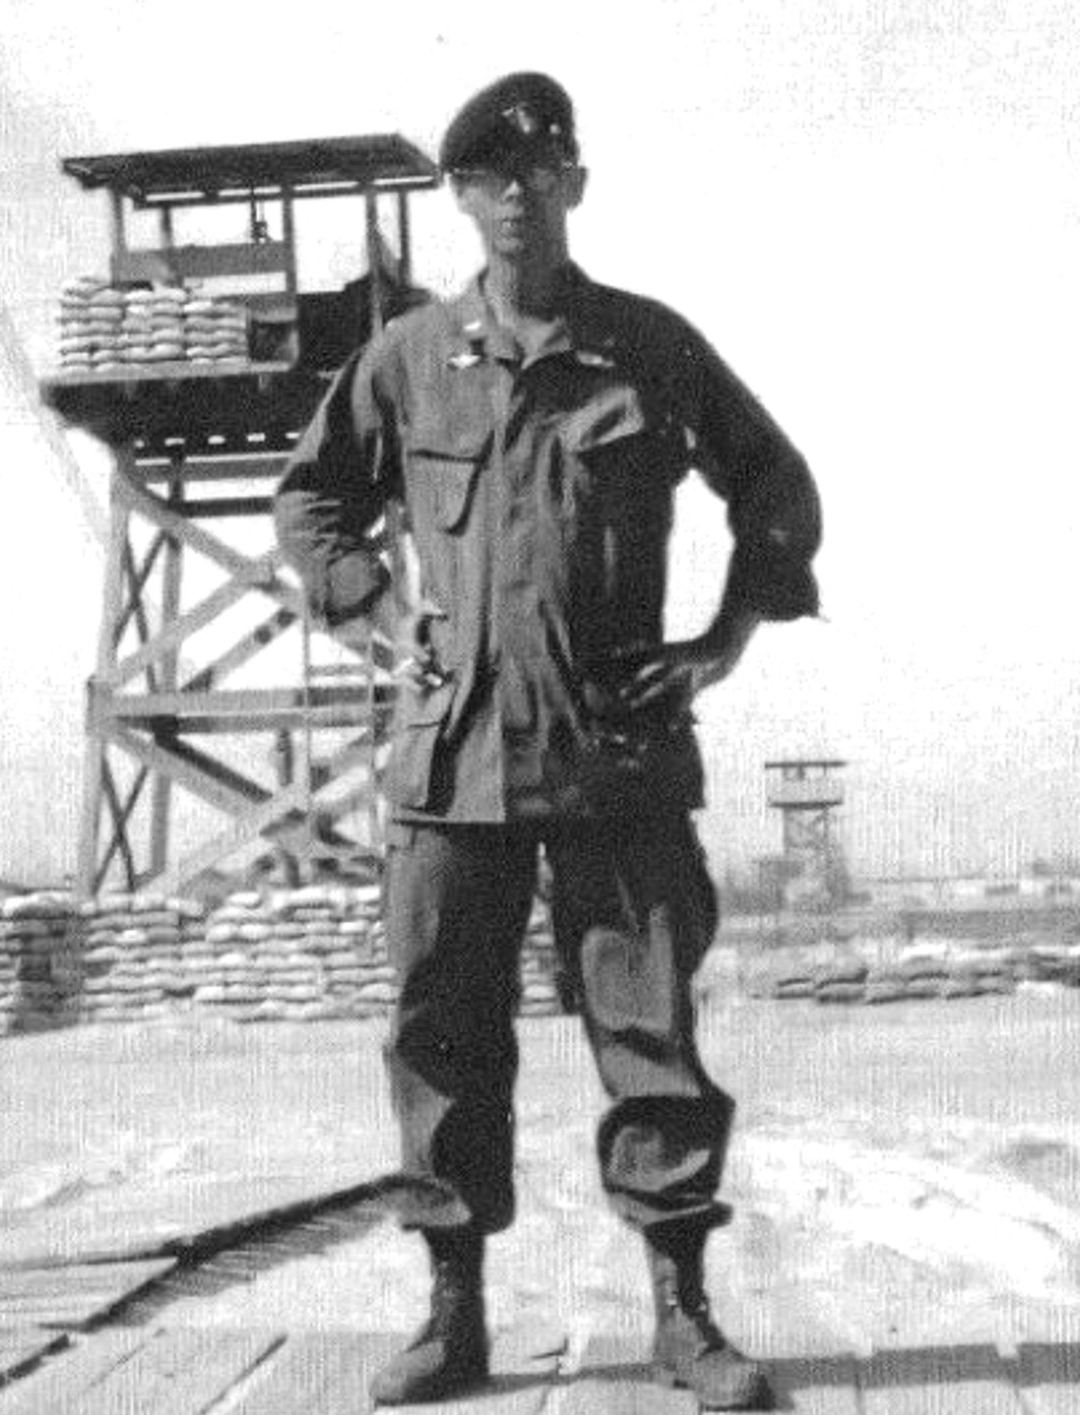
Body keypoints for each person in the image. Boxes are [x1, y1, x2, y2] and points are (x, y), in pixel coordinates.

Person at [274, 72, 822, 1410]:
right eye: (488, 179)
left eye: (541, 174)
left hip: (615, 761)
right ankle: (452, 1315)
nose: (516, 198)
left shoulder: (650, 347)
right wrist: (371, 615)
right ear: (463, 198)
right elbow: (312, 505)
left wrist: (722, 640)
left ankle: (684, 1319)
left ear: (576, 184)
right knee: (442, 1037)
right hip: (451, 765)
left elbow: (777, 487)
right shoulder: (406, 362)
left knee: (650, 1040)